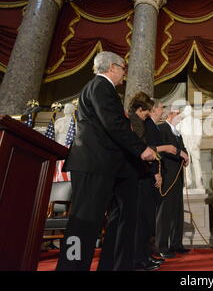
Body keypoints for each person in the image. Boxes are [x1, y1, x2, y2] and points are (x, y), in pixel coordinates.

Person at [56, 51, 156, 271]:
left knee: (118, 217)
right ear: (112, 67)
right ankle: (71, 268)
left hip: (110, 166)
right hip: (93, 164)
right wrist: (141, 149)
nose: (124, 74)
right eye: (123, 68)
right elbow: (112, 124)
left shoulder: (103, 89)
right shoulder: (100, 86)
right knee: (83, 223)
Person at [130, 94, 177, 270]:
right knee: (142, 221)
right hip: (141, 176)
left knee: (147, 221)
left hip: (146, 173)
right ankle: (139, 259)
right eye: (148, 110)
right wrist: (156, 171)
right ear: (141, 109)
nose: (149, 114)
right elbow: (147, 149)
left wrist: (156, 169)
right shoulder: (138, 123)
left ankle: (145, 256)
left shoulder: (145, 123)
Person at [155, 107, 190, 259]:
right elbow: (159, 152)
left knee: (177, 211)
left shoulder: (177, 132)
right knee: (165, 212)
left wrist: (186, 157)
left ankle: (177, 244)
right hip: (167, 176)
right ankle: (162, 246)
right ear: (170, 114)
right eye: (178, 115)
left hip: (178, 177)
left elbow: (183, 149)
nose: (180, 118)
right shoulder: (161, 128)